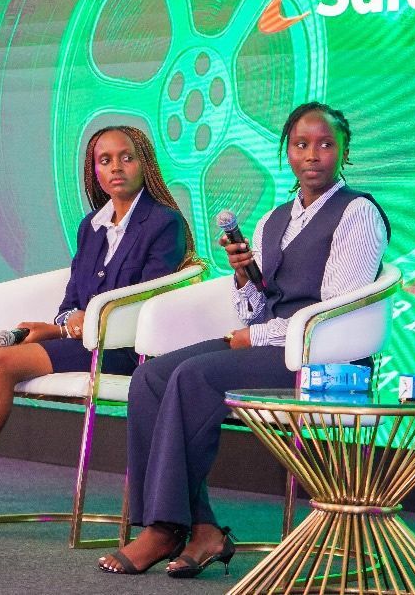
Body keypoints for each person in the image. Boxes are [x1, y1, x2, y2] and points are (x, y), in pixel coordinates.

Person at [98, 102, 390, 576]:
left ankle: (164, 527)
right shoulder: (274, 219)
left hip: (322, 358)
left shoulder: (356, 213)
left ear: (343, 152)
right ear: (287, 153)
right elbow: (258, 306)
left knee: (195, 378)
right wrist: (243, 280)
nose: (312, 154)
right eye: (300, 145)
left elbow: (334, 313)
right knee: (151, 376)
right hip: (271, 344)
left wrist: (254, 335)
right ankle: (202, 527)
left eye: (325, 144)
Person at [0, 125, 194, 537]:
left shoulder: (163, 223)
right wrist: (56, 326)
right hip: (77, 341)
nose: (116, 167)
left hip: (121, 350)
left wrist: (72, 325)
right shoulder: (91, 226)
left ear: (144, 164)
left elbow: (146, 305)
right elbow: (70, 301)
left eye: (126, 157)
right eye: (105, 160)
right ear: (94, 172)